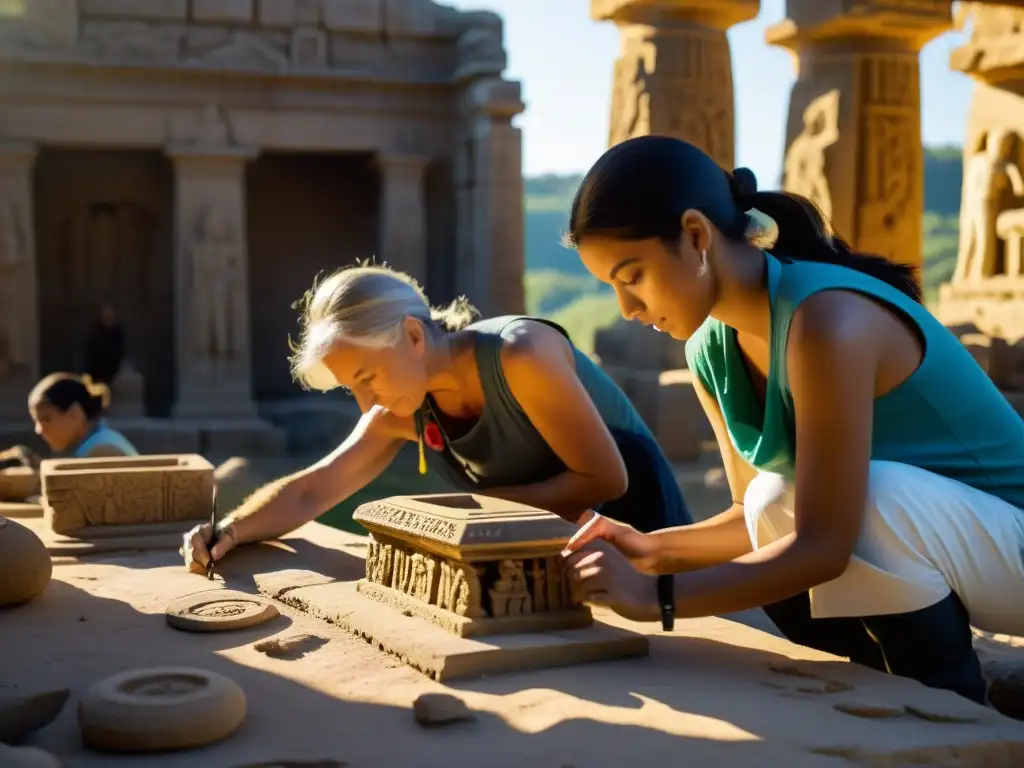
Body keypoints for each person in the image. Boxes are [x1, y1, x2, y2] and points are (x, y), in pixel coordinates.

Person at [561, 135, 1024, 704]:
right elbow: (750, 518)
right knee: (768, 497)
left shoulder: (828, 319)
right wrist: (649, 549)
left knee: (873, 495)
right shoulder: (709, 348)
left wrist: (657, 598)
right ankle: (878, 681)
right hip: (972, 560)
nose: (627, 309)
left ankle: (949, 701)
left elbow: (825, 543)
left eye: (632, 276)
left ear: (696, 235)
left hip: (1013, 544)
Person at [181, 265, 691, 572]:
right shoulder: (399, 406)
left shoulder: (521, 355)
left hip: (652, 552)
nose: (366, 403)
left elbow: (605, 478)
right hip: (553, 571)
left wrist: (459, 512)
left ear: (414, 336)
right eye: (352, 388)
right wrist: (228, 528)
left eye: (367, 377)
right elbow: (313, 491)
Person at [29, 373, 138, 458]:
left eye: (46, 419)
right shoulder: (96, 442)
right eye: (36, 421)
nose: (39, 430)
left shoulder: (101, 451)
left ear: (74, 414)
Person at [84, 302, 126, 386]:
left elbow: (119, 351)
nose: (108, 318)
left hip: (113, 373)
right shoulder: (96, 332)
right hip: (97, 373)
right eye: (106, 315)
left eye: (110, 315)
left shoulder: (117, 332)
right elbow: (91, 353)